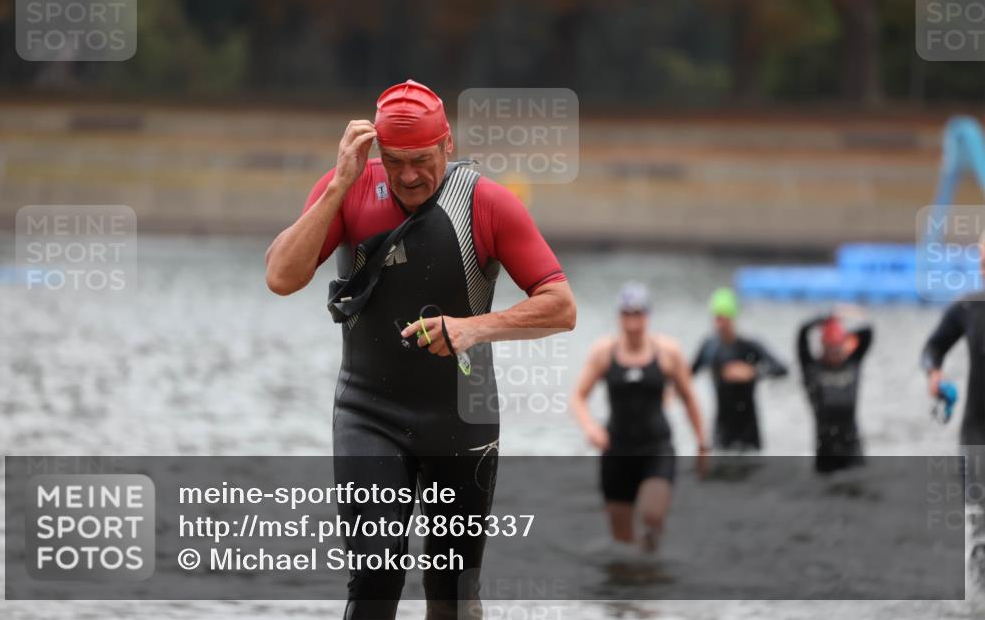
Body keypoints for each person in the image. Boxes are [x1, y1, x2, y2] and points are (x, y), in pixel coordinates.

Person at [265, 80, 576, 620]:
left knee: (452, 598)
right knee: (375, 579)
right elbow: (281, 277)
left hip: (463, 418)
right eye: (394, 160)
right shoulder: (349, 190)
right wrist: (340, 183)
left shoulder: (486, 204)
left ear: (447, 145)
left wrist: (474, 329)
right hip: (370, 413)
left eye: (422, 159)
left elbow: (561, 306)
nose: (408, 175)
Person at [570, 282, 709, 552]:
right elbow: (578, 396)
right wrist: (590, 428)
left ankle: (653, 554)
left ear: (648, 315)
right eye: (627, 313)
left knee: (651, 514)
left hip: (656, 448)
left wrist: (702, 443)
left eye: (638, 314)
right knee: (622, 543)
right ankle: (635, 580)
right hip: (616, 451)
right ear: (619, 316)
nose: (633, 321)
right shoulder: (604, 352)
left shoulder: (668, 352)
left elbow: (689, 398)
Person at [920, 231, 985, 498]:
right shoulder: (970, 308)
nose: (984, 271)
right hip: (978, 435)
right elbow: (932, 348)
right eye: (982, 263)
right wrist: (933, 373)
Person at [691, 287, 788, 451]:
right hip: (721, 428)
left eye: (724, 318)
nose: (720, 323)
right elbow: (688, 374)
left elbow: (782, 369)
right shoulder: (709, 347)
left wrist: (753, 372)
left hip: (749, 429)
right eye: (716, 318)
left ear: (733, 317)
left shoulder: (749, 346)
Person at [796, 307, 873, 474]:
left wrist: (849, 315)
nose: (835, 351)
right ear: (823, 345)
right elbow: (802, 333)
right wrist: (827, 316)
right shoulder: (812, 369)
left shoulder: (853, 363)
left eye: (838, 346)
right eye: (831, 347)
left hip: (853, 453)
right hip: (826, 456)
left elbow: (868, 332)